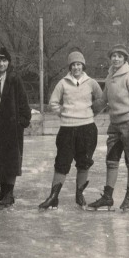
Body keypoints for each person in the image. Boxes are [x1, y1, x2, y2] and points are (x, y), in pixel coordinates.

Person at [39, 50, 103, 210]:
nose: (76, 67)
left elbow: (101, 100)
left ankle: (79, 194)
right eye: (73, 65)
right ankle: (53, 197)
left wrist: (91, 113)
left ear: (83, 66)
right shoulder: (62, 83)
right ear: (70, 67)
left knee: (83, 163)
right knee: (62, 162)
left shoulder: (91, 83)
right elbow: (53, 102)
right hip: (67, 129)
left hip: (87, 129)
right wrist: (64, 113)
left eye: (79, 64)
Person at [88, 44, 129, 211]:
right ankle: (108, 197)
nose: (116, 58)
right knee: (111, 160)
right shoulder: (110, 76)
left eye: (120, 56)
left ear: (125, 59)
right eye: (113, 56)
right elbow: (104, 100)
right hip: (115, 124)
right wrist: (87, 111)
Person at [0, 48, 31, 207]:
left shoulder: (14, 79)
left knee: (11, 160)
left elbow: (23, 101)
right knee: (0, 159)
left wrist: (22, 121)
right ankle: (3, 191)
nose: (2, 64)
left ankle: (9, 194)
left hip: (12, 126)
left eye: (4, 61)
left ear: (8, 62)